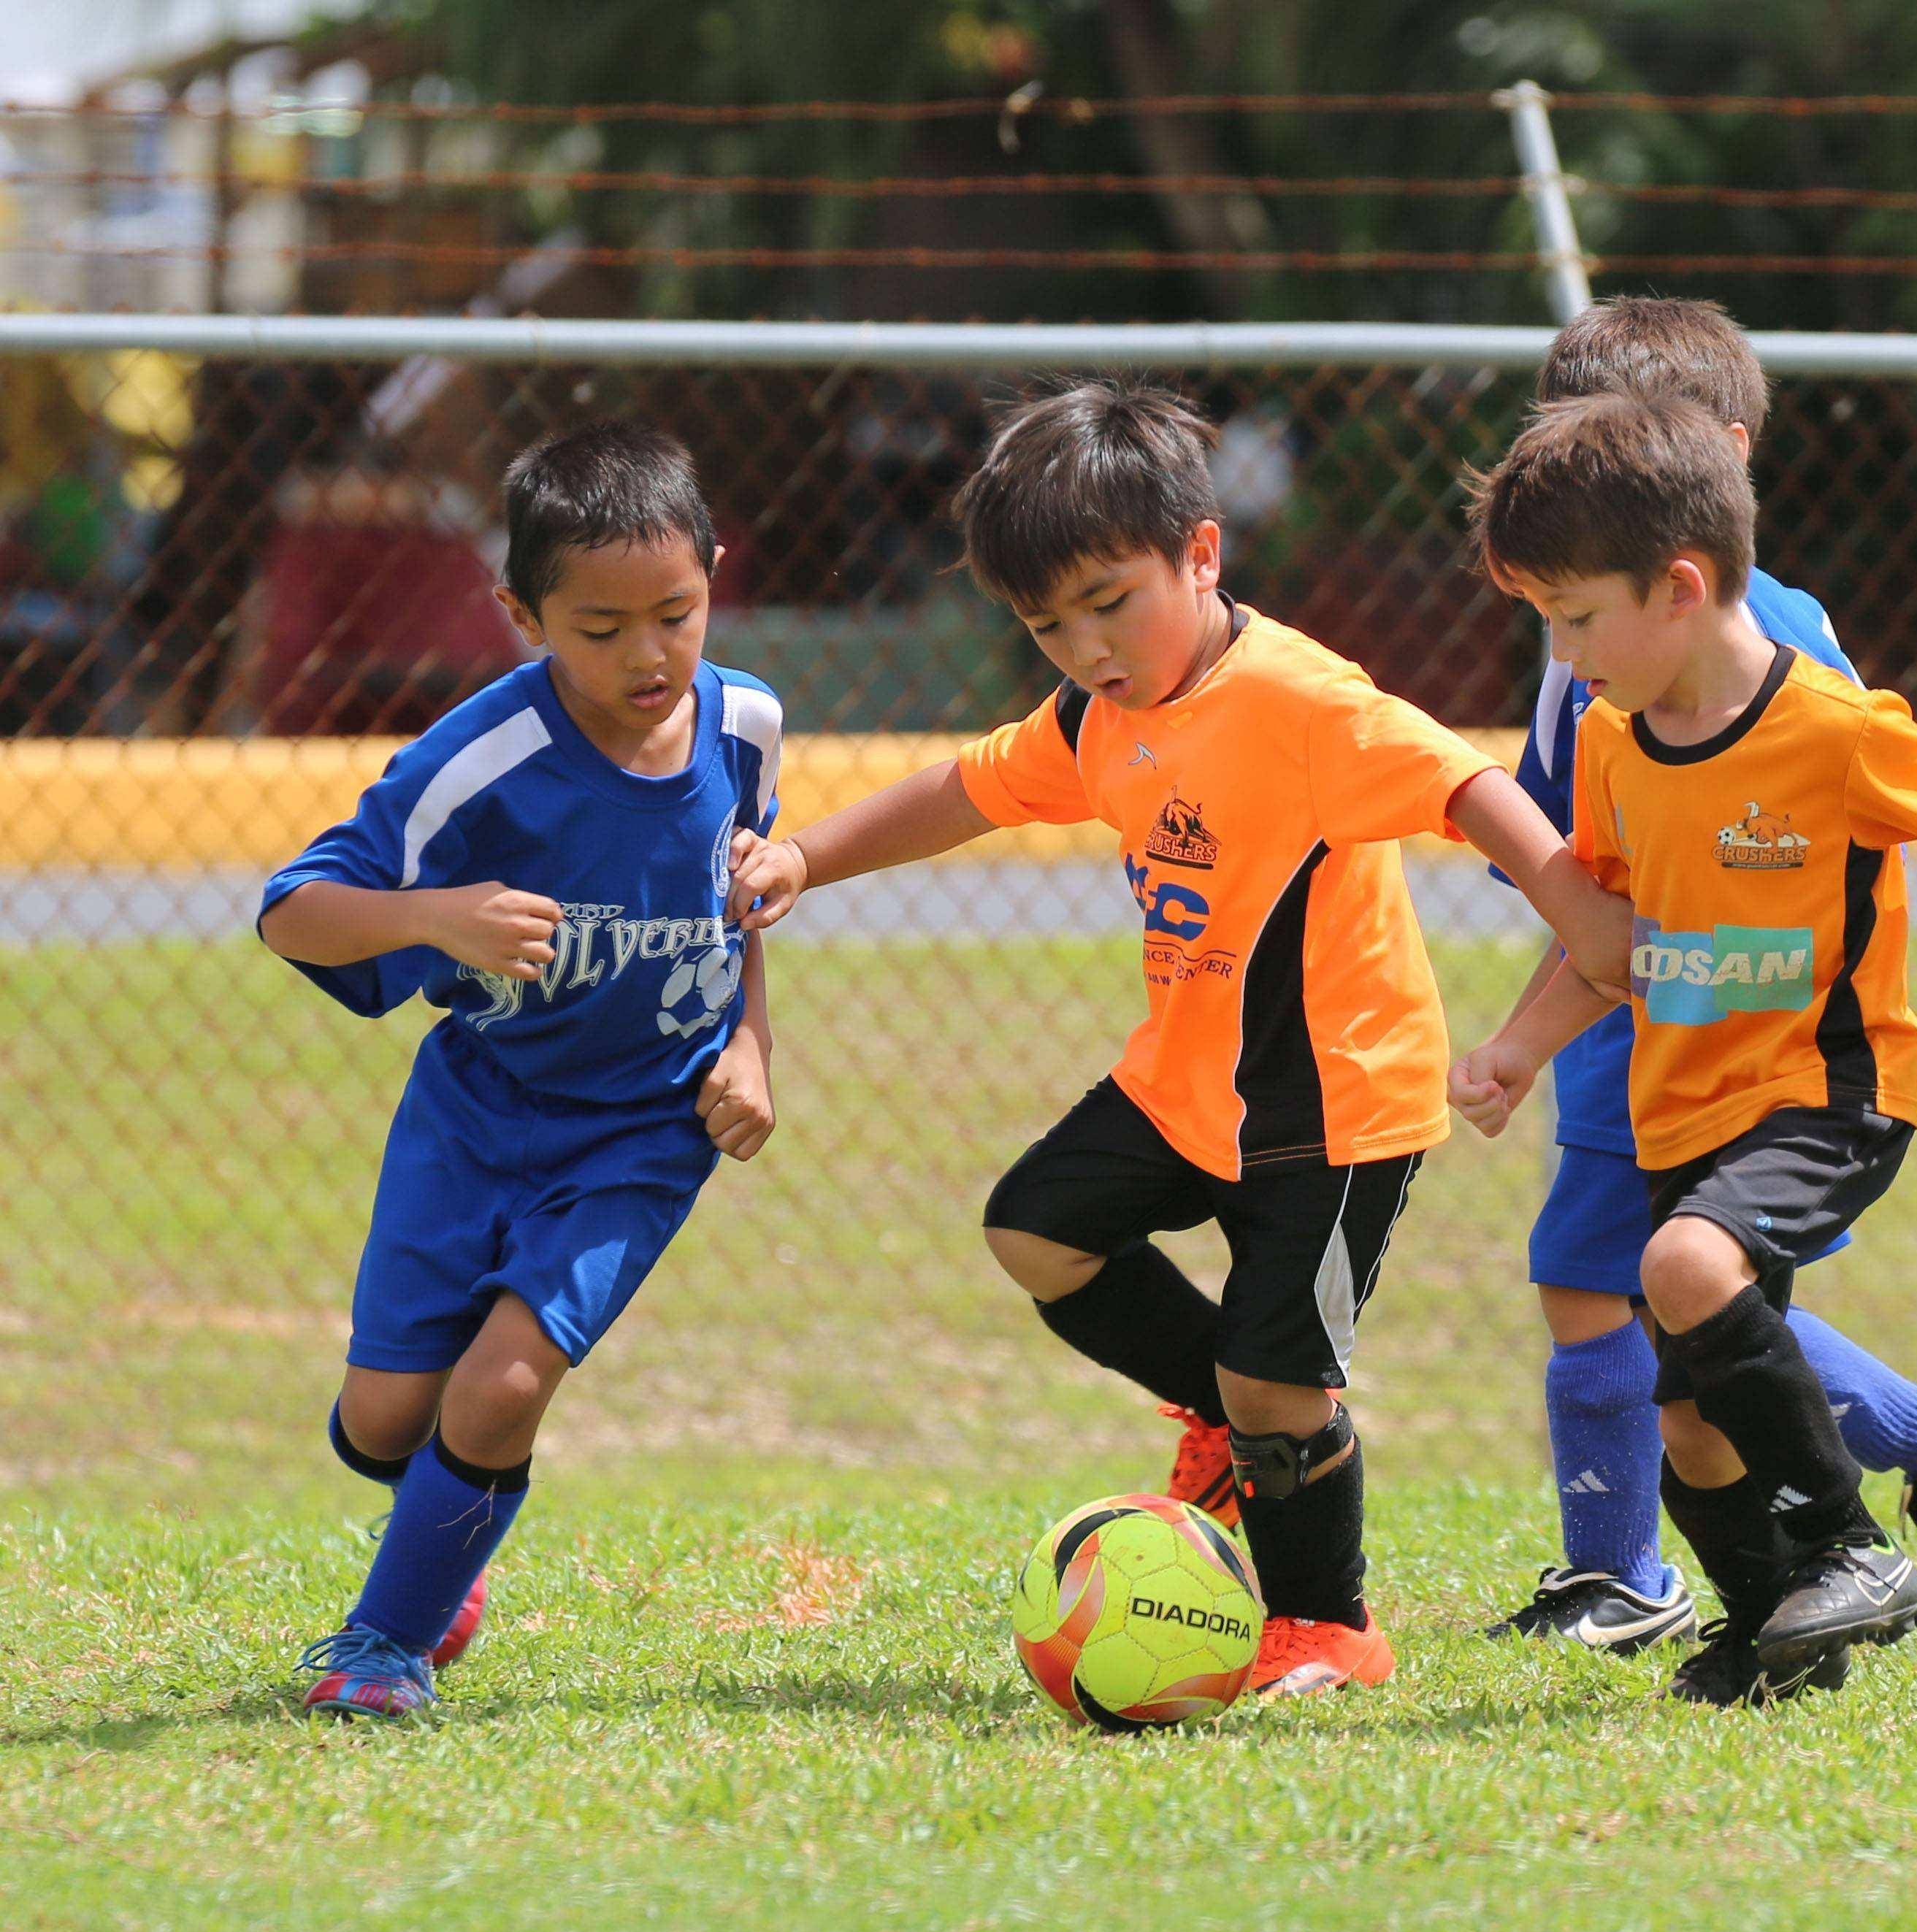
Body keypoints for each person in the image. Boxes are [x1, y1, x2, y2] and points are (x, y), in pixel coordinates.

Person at [725, 382, 1630, 1699]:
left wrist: (1568, 900)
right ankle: (1218, 1412)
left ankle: (1328, 1627)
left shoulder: (1300, 699)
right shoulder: (1101, 716)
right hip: (1187, 1085)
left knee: (1283, 1386)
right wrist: (808, 854)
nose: (1086, 645)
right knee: (1035, 1230)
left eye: (1111, 601)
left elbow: (1463, 779)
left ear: (1201, 555)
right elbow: (965, 793)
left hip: (1332, 1105)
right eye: (1048, 624)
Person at [1453, 391, 1917, 1704]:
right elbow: (1615, 943)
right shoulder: (1610, 744)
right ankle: (1776, 1630)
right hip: (1681, 1115)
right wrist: (1517, 1050)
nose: (1557, 652)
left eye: (1575, 618)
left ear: (1680, 585)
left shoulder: (1833, 730)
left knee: (1678, 1261)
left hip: (1829, 1096)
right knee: (1691, 1420)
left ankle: (1848, 1546)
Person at [259, 421, 783, 1717]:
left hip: (645, 1135)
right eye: (599, 629)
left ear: (716, 573)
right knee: (387, 1421)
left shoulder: (749, 726)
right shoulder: (475, 764)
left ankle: (381, 1651)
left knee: (500, 1389)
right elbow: (294, 909)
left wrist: (754, 1048)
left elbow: (742, 906)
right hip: (477, 1114)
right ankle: (446, 1541)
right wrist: (435, 917)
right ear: (519, 612)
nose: (648, 655)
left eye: (677, 612)